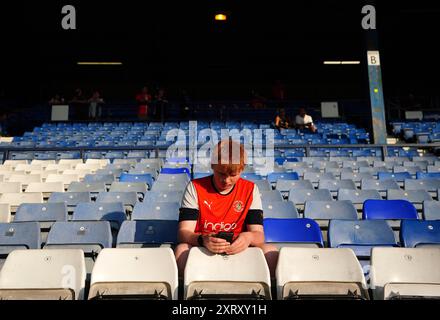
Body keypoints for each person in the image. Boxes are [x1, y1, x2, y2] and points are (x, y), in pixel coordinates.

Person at [174, 139, 278, 277]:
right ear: (212, 165)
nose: (227, 180)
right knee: (181, 250)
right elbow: (184, 232)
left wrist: (248, 238)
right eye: (221, 174)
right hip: (203, 247)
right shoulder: (195, 187)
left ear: (242, 169)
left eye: (233, 175)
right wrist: (203, 240)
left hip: (238, 248)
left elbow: (259, 235)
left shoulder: (250, 189)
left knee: (270, 252)